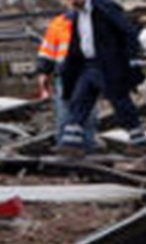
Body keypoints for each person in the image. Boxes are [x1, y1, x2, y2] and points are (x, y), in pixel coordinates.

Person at [57, 0, 146, 156]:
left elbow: (127, 31)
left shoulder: (103, 7)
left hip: (108, 66)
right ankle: (70, 143)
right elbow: (78, 42)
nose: (72, 1)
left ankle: (140, 141)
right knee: (79, 101)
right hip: (88, 65)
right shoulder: (78, 15)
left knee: (120, 102)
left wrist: (128, 60)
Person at [36, 12, 99, 151]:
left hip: (87, 73)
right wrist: (43, 72)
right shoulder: (59, 23)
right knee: (66, 113)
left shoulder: (95, 22)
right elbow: (48, 50)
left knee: (87, 114)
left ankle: (87, 148)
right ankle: (66, 149)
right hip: (65, 75)